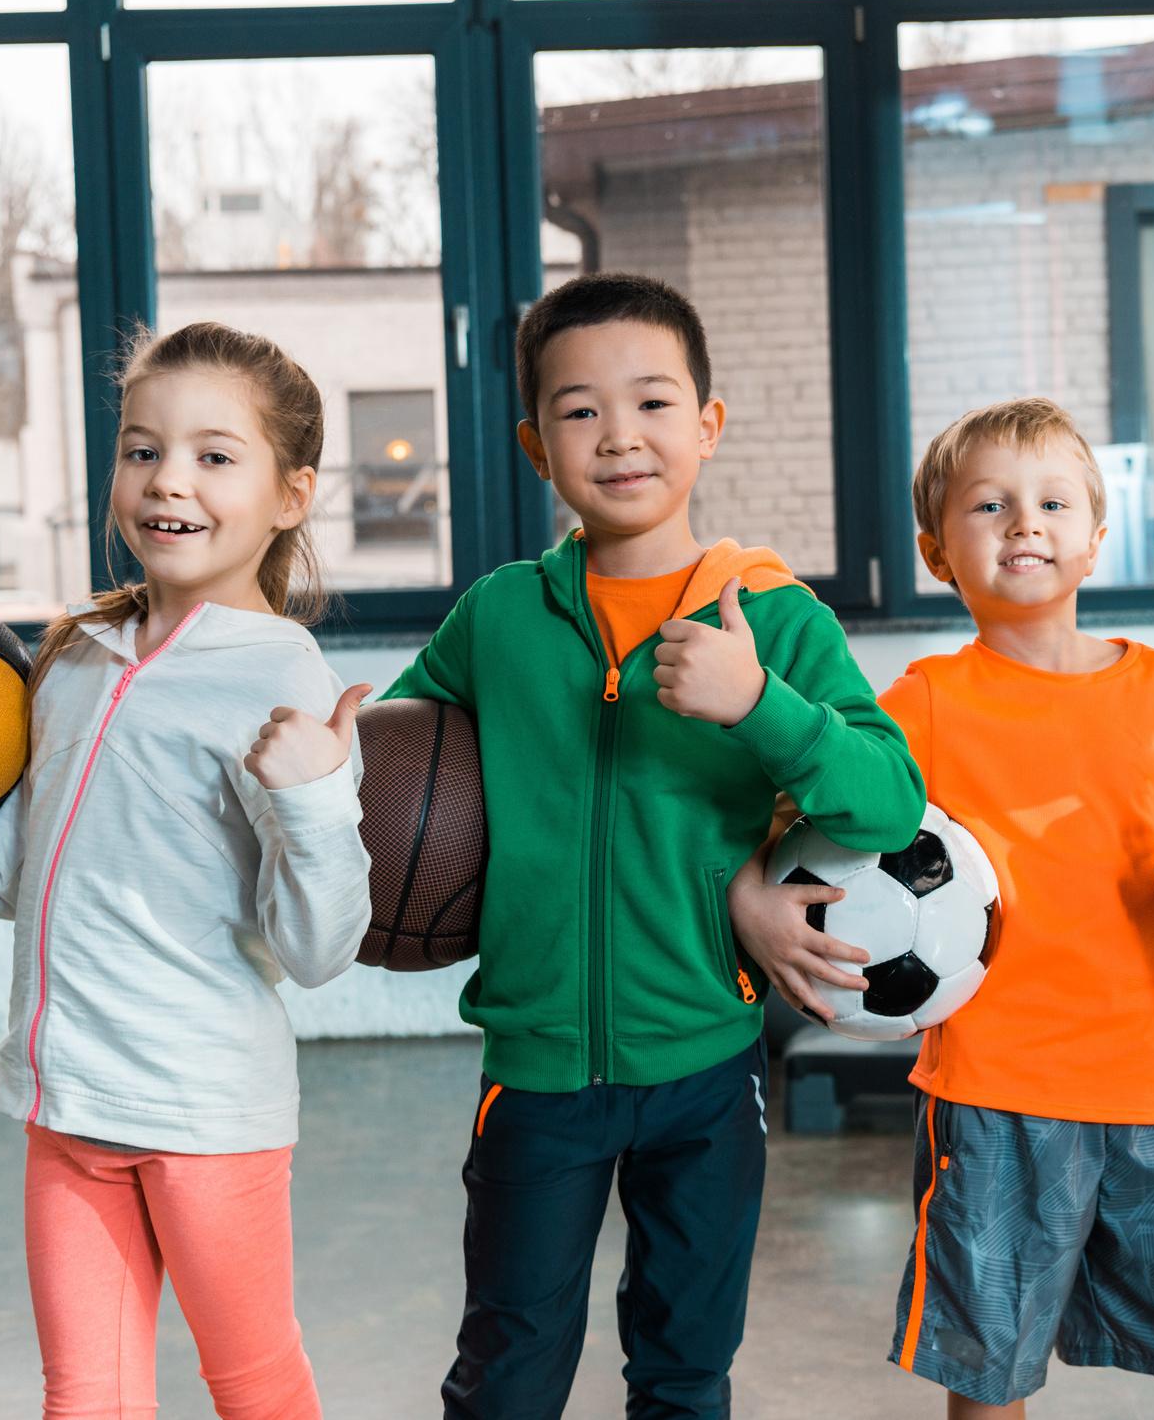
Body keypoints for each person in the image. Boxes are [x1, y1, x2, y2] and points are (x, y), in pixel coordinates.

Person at [0, 321, 371, 1420]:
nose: (167, 481)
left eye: (212, 455)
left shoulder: (282, 682)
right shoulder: (73, 658)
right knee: (82, 1400)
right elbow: (18, 864)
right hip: (68, 1110)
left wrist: (311, 800)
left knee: (255, 1390)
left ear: (291, 495)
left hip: (205, 1117)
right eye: (141, 449)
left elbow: (319, 947)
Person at [379, 271, 925, 1418]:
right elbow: (394, 768)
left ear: (708, 426)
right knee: (505, 1371)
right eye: (579, 410)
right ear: (536, 446)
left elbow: (884, 800)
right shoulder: (498, 616)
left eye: (653, 403)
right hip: (535, 1069)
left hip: (707, 1067)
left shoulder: (772, 618)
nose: (618, 436)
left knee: (684, 1367)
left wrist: (759, 703)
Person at [731, 398, 1154, 1419]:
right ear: (937, 551)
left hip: (1147, 1088)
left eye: (1051, 501)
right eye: (988, 504)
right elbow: (821, 819)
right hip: (988, 1091)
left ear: (1095, 538)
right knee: (987, 1374)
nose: (1024, 523)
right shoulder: (922, 703)